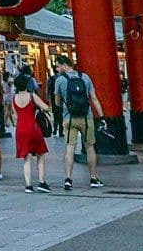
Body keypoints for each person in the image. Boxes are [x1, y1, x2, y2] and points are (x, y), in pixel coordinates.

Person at [46, 56, 102, 189]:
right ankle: (93, 178)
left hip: (69, 118)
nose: (57, 69)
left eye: (58, 66)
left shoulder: (60, 80)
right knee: (89, 147)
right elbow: (93, 98)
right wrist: (101, 115)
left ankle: (68, 179)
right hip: (86, 117)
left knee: (70, 148)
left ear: (65, 65)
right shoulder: (85, 77)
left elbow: (57, 102)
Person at [10, 74, 51, 194]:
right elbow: (46, 107)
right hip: (33, 128)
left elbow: (16, 116)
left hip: (20, 130)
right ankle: (42, 182)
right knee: (40, 154)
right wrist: (41, 109)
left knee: (26, 158)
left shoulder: (14, 99)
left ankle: (28, 185)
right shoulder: (32, 96)